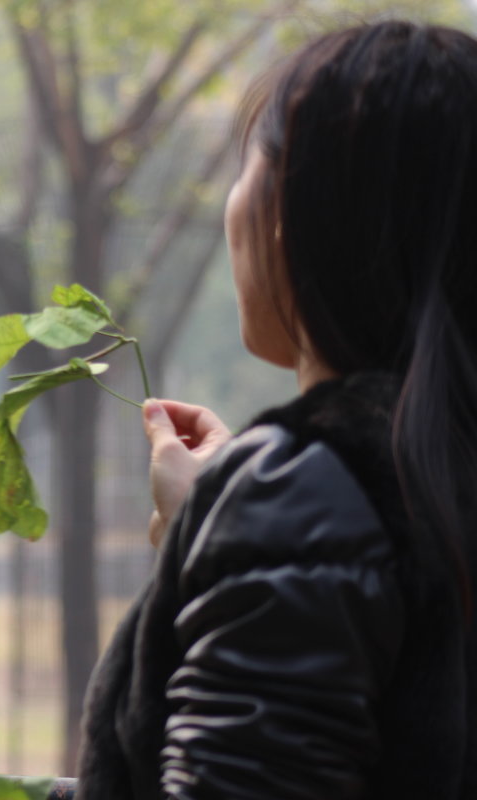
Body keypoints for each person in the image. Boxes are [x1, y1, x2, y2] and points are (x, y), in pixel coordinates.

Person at [77, 21, 477, 799]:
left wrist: (253, 523)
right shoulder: (428, 469)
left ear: (287, 215)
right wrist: (213, 537)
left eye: (244, 169)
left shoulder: (305, 494)